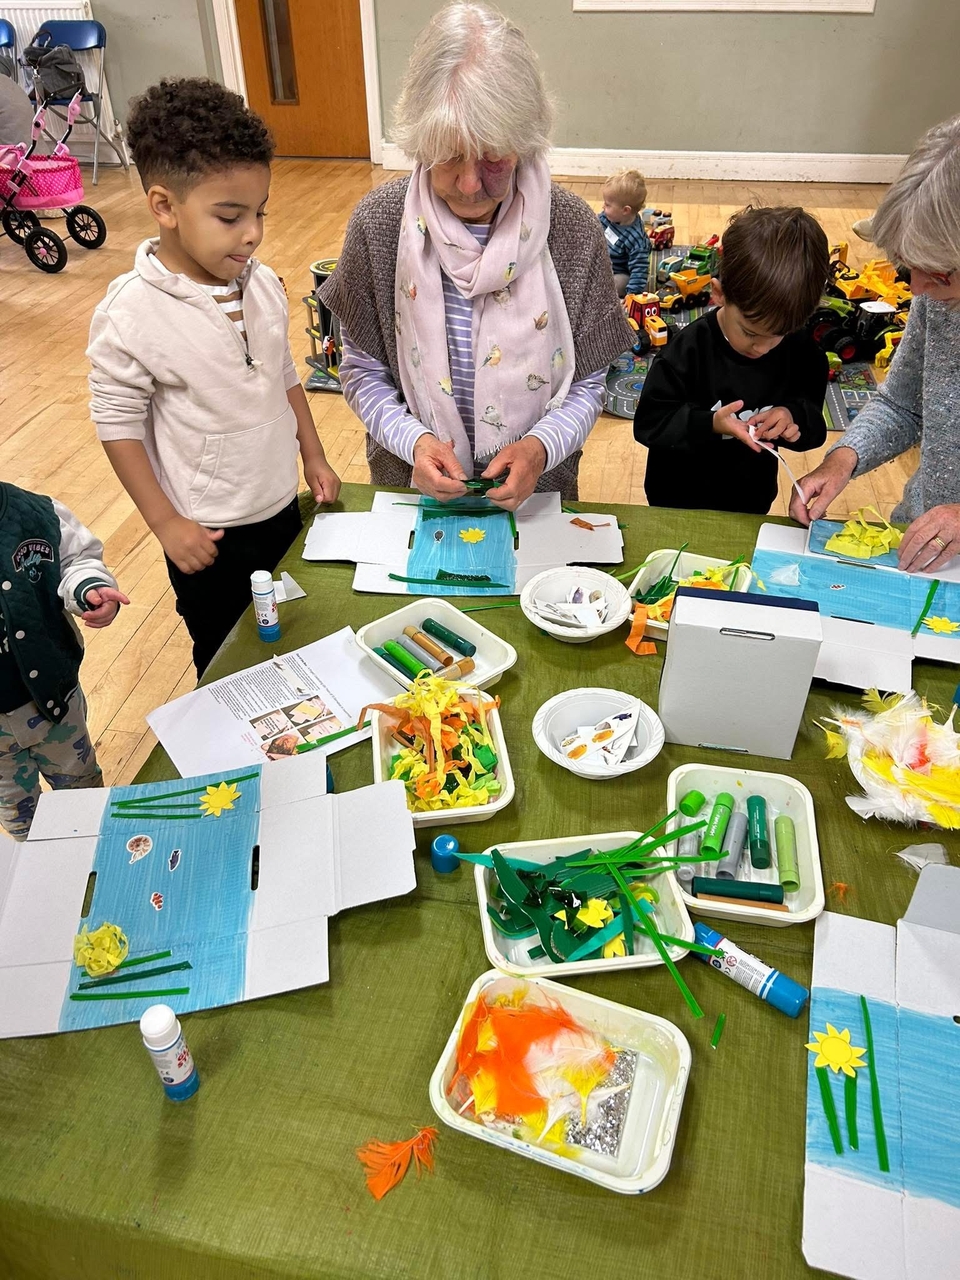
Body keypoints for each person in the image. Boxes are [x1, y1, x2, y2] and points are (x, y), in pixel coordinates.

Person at [320, 2, 632, 511]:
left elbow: (591, 381)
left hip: (534, 498)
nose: (469, 184)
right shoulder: (379, 224)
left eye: (493, 159)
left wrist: (539, 448)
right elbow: (360, 371)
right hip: (413, 493)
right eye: (447, 157)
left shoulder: (572, 229)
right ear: (419, 141)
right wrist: (413, 444)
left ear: (524, 142)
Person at [88, 78, 340, 678]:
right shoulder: (130, 312)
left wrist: (315, 456)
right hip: (208, 530)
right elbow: (117, 425)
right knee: (223, 654)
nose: (252, 232)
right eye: (230, 216)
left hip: (279, 503)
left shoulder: (260, 282)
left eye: (259, 213)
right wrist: (166, 523)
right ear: (165, 206)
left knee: (282, 631)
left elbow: (282, 373)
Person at [790, 113, 960, 575]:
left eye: (940, 273)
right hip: (924, 543)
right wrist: (843, 459)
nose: (919, 289)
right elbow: (902, 405)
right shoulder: (939, 298)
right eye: (910, 268)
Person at [634, 205, 829, 514]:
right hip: (676, 499)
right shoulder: (688, 351)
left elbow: (814, 426)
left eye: (777, 335)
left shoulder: (802, 353)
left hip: (750, 500)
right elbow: (649, 424)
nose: (762, 348)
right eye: (750, 332)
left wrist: (793, 418)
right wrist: (710, 423)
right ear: (718, 293)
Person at [0, 482, 128, 839]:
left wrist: (88, 587)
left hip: (55, 701)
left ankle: (100, 849)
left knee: (84, 793)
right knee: (21, 819)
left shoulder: (35, 512)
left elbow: (76, 558)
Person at [598, 168, 651, 298]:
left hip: (619, 272)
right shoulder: (606, 217)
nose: (603, 207)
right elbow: (592, 227)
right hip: (601, 262)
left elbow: (639, 270)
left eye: (608, 205)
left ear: (625, 210)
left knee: (616, 283)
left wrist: (632, 295)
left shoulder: (636, 239)